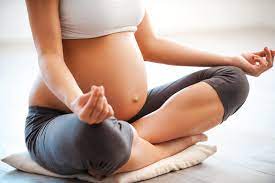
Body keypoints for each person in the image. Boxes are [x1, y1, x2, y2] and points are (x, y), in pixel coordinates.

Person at [24, 0, 274, 180]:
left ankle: (127, 139)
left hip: (132, 114)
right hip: (62, 118)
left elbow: (150, 45)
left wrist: (231, 59)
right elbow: (49, 56)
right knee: (98, 138)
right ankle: (162, 148)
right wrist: (78, 103)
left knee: (233, 80)